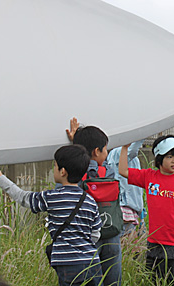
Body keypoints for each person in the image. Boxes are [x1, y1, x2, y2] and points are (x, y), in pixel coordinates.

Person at [0, 145, 103, 286]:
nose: (54, 169)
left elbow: (23, 197)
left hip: (67, 265)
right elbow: (96, 234)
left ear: (62, 171)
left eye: (55, 166)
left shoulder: (52, 197)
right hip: (92, 263)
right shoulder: (90, 200)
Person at [118, 135, 174, 286]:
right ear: (159, 159)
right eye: (170, 157)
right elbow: (123, 171)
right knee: (155, 281)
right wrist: (125, 148)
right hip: (155, 242)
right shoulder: (149, 177)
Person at [66, 118, 122, 286]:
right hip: (110, 231)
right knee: (112, 279)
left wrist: (74, 147)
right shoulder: (108, 171)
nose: (107, 153)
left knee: (88, 279)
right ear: (97, 151)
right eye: (105, 149)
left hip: (83, 238)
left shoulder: (72, 173)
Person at [107, 140, 146, 235]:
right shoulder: (119, 152)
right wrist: (143, 131)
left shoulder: (117, 153)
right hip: (125, 207)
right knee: (127, 243)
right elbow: (132, 150)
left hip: (129, 206)